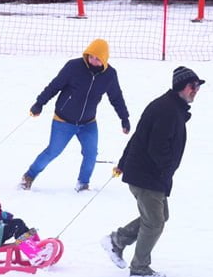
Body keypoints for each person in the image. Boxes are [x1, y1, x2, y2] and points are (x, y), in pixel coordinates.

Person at [100, 66, 205, 277]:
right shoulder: (167, 110)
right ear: (181, 87)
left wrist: (124, 162)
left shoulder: (170, 107)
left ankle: (117, 240)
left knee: (158, 217)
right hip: (147, 176)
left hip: (148, 173)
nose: (195, 90)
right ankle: (139, 267)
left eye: (197, 87)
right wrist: (164, 172)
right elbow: (157, 148)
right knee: (155, 222)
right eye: (192, 86)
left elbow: (139, 136)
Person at [21, 38, 131, 192]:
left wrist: (124, 118)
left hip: (88, 122)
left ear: (104, 59)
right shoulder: (74, 67)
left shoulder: (110, 75)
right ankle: (29, 176)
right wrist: (39, 103)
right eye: (91, 56)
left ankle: (83, 183)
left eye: (98, 59)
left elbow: (116, 97)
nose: (93, 61)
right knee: (53, 151)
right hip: (63, 120)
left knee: (91, 153)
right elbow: (55, 86)